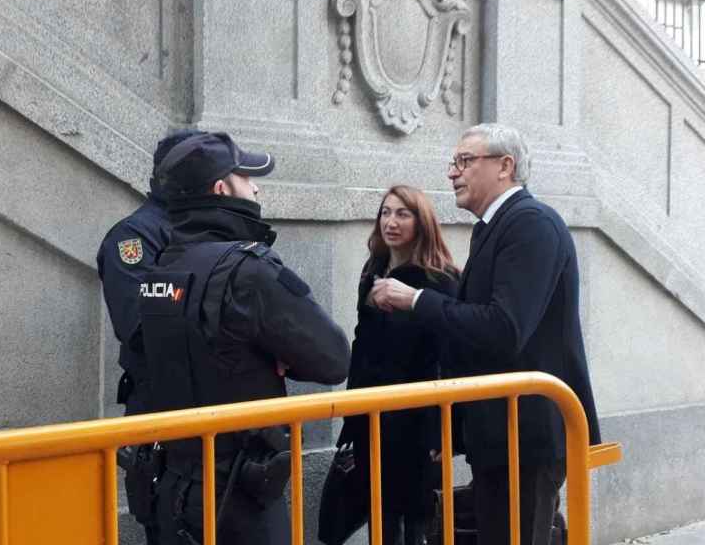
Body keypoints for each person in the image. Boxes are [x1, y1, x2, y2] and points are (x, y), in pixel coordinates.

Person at [369, 124, 601, 545]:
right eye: (453, 163)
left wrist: (417, 300)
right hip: (500, 432)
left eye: (465, 161)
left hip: (526, 438)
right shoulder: (496, 226)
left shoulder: (531, 224)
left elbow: (503, 329)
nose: (453, 173)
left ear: (505, 166)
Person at [137, 131, 350, 545]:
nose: (255, 186)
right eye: (246, 177)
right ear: (221, 188)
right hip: (239, 496)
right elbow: (334, 358)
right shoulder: (250, 269)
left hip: (172, 486)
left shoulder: (162, 267)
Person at [335, 185, 459, 545]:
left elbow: (447, 357)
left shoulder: (441, 278)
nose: (391, 222)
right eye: (385, 212)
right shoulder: (373, 269)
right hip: (369, 411)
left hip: (415, 418)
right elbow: (362, 342)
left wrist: (440, 428)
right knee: (379, 510)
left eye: (402, 213)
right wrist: (351, 410)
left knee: (416, 515)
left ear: (422, 222)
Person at [96, 128, 201, 542]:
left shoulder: (207, 231)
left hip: (210, 413)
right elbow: (140, 328)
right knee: (169, 524)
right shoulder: (135, 237)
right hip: (162, 410)